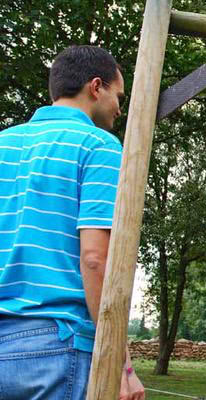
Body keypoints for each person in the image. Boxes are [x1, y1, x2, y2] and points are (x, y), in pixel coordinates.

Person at [0, 45, 145, 399]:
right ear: (96, 87)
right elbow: (96, 259)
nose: (119, 107)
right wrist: (122, 365)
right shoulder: (99, 147)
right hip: (57, 343)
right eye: (118, 95)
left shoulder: (3, 143)